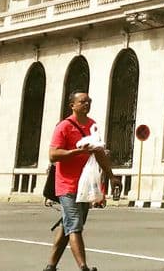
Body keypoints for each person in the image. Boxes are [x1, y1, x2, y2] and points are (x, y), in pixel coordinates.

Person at [45, 92, 112, 271]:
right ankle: (83, 267)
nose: (86, 104)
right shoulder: (64, 127)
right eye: (82, 101)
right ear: (72, 105)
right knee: (74, 226)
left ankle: (51, 266)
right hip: (66, 185)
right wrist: (74, 152)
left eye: (89, 101)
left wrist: (111, 175)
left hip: (85, 186)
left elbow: (99, 153)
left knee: (70, 224)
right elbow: (53, 155)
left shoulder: (92, 126)